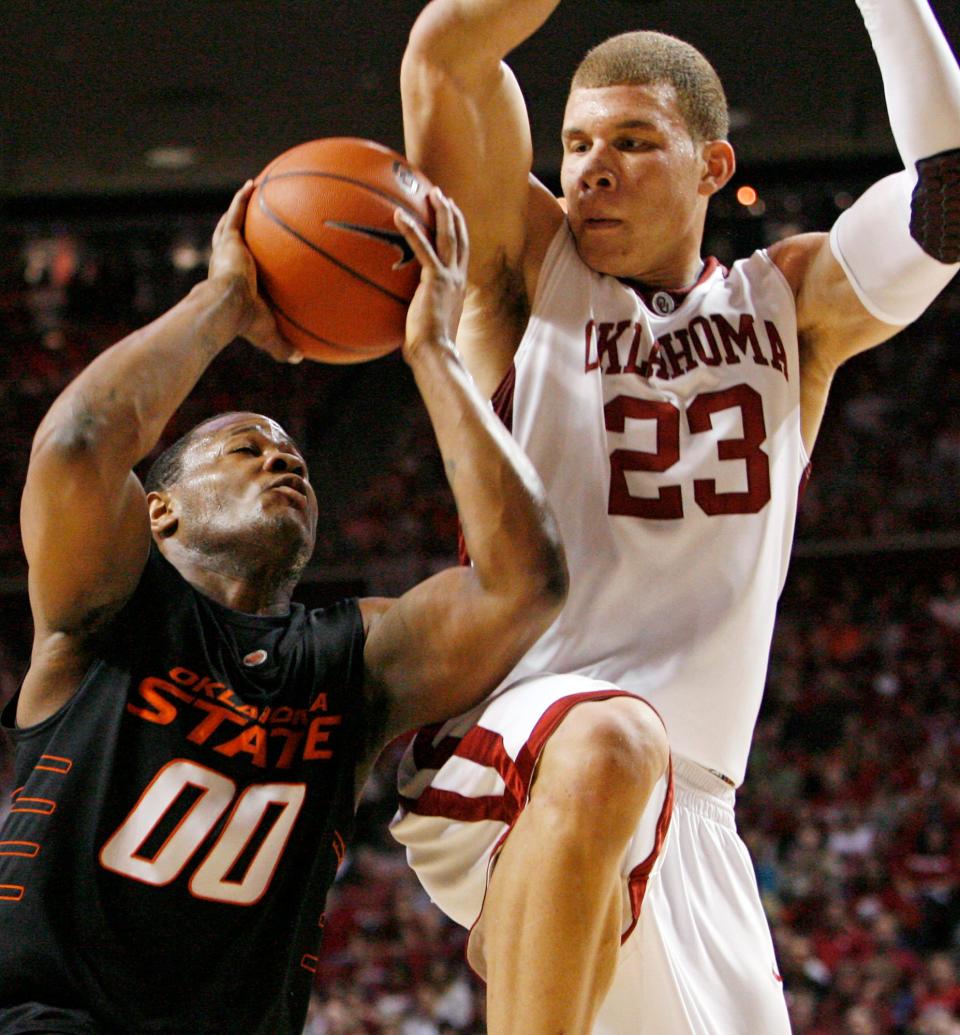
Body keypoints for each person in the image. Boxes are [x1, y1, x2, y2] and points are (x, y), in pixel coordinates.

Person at [389, 1, 960, 1032]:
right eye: (575, 143)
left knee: (630, 755)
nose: (591, 168)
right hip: (517, 748)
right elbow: (445, 50)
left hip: (694, 807)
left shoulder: (790, 302)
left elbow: (947, 200)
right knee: (611, 741)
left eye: (633, 141)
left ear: (711, 164)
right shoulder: (525, 266)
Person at [0, 181, 567, 1035]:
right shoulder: (111, 600)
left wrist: (434, 355)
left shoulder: (353, 658)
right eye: (246, 446)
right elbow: (80, 443)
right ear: (161, 510)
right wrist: (223, 299)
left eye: (294, 453)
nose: (284, 460)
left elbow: (527, 581)